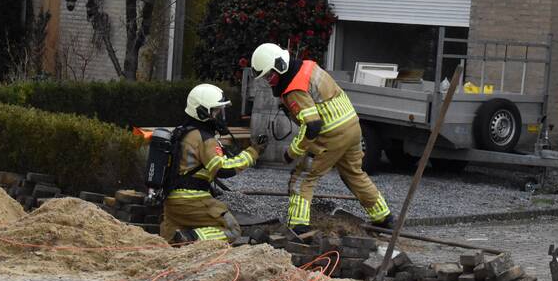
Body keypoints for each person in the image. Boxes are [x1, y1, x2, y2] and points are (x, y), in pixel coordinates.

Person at [250, 43, 394, 235]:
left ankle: (298, 227)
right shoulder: (307, 66)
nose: (269, 81)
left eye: (269, 75)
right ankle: (383, 217)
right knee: (354, 173)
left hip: (330, 133)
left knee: (302, 177)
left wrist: (292, 152)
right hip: (352, 125)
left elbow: (313, 126)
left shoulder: (294, 89)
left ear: (280, 66)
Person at [159, 84, 264, 243]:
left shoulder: (181, 132)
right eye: (216, 111)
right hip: (193, 201)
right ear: (202, 112)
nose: (220, 116)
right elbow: (223, 168)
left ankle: (181, 240)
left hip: (171, 203)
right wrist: (253, 152)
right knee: (232, 230)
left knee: (169, 243)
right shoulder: (205, 138)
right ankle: (189, 238)